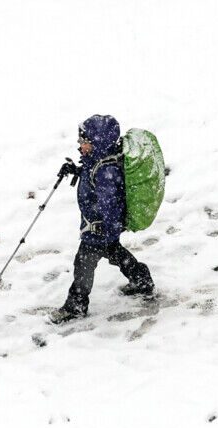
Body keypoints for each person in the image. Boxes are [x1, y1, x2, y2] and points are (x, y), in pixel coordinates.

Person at [50, 114, 155, 324]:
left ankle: (76, 305)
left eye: (84, 142)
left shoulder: (107, 171)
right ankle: (141, 279)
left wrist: (105, 228)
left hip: (98, 229)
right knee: (115, 253)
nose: (80, 145)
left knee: (83, 264)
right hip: (102, 228)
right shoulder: (98, 161)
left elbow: (110, 204)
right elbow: (91, 175)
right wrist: (76, 170)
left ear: (97, 142)